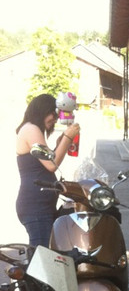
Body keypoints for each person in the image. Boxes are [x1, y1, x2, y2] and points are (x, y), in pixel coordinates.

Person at [15, 93, 81, 247]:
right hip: (35, 207)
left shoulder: (32, 129)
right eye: (53, 114)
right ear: (42, 111)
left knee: (49, 252)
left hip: (41, 206)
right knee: (43, 254)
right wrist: (67, 137)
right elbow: (52, 164)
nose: (55, 119)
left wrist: (61, 142)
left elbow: (48, 159)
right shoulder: (31, 129)